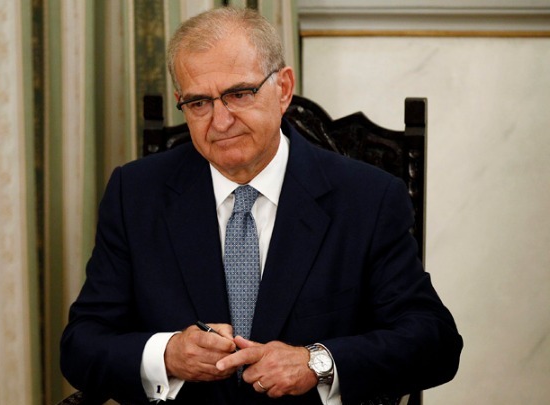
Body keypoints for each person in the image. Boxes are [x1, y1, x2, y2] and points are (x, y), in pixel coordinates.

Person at [60, 7, 462, 405]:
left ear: (283, 88)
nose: (220, 121)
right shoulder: (135, 193)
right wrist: (167, 355)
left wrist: (317, 362)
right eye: (199, 103)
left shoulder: (367, 198)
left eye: (239, 94)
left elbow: (435, 341)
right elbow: (81, 344)